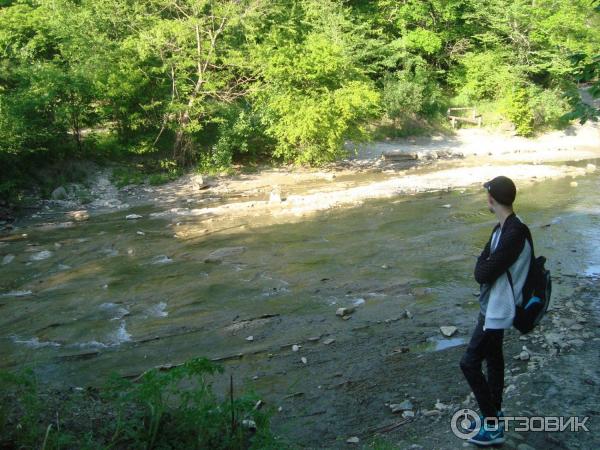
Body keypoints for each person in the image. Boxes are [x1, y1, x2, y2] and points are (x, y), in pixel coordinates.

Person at [460, 176, 532, 446]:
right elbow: (484, 266)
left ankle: (492, 424)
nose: (485, 198)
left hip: (498, 310)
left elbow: (482, 272)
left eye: (487, 194)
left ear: (492, 198)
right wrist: (485, 264)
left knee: (468, 363)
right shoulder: (501, 229)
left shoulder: (514, 232)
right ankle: (496, 414)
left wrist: (484, 265)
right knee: (493, 359)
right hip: (491, 306)